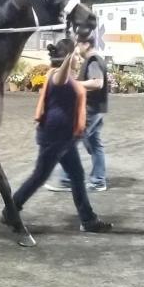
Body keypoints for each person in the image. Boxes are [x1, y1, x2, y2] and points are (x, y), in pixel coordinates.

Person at [5, 39, 112, 233]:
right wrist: (70, 57)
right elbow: (63, 74)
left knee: (77, 176)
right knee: (39, 176)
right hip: (54, 136)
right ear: (68, 58)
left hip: (65, 137)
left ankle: (88, 220)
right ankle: (11, 210)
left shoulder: (69, 77)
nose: (80, 60)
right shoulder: (57, 75)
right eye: (76, 57)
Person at [45, 33, 109, 191]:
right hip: (95, 108)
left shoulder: (93, 60)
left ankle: (68, 179)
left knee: (68, 141)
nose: (76, 48)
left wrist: (74, 84)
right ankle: (98, 180)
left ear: (86, 44)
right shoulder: (93, 59)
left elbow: (97, 82)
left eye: (78, 44)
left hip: (91, 109)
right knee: (94, 144)